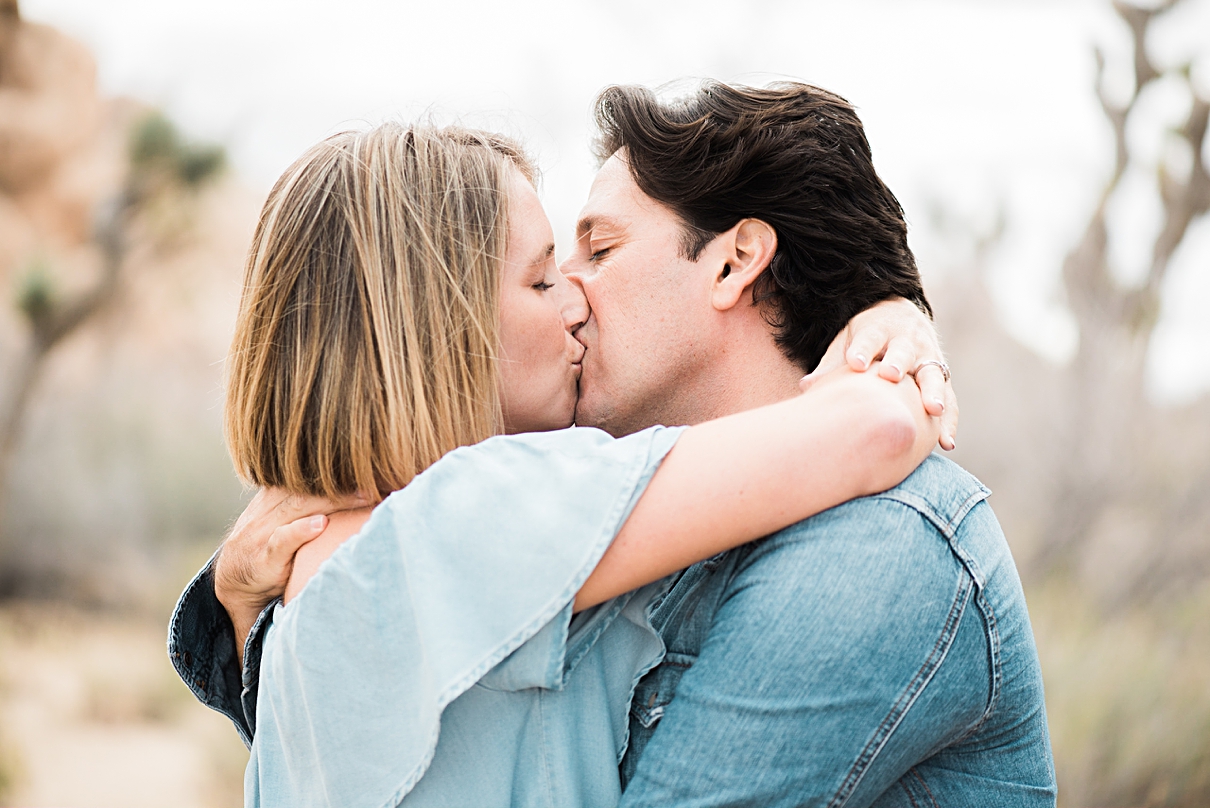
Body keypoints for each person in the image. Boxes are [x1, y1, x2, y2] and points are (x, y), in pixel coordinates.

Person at [174, 80, 1056, 806]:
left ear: (734, 262)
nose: (573, 298)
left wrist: (889, 317)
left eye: (596, 250)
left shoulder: (879, 542)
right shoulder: (477, 520)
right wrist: (892, 344)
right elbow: (879, 425)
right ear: (446, 328)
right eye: (542, 278)